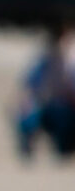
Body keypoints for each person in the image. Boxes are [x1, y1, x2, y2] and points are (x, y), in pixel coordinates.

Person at [17, 23, 75, 161]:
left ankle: (64, 151)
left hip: (66, 110)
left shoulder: (70, 63)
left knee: (62, 116)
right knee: (28, 115)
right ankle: (27, 151)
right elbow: (28, 87)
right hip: (47, 107)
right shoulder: (43, 62)